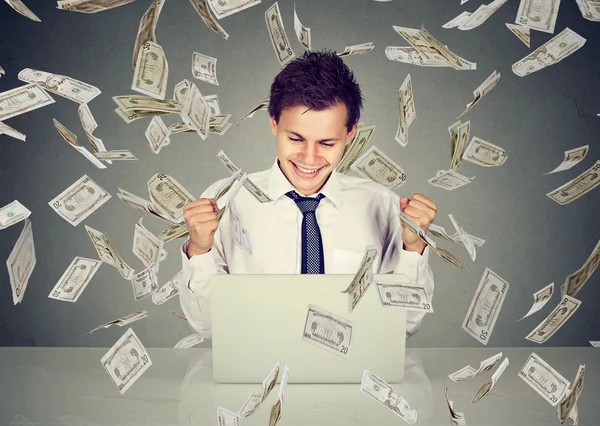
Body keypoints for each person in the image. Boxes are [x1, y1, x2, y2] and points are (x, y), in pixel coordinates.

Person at [177, 50, 438, 339]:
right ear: (273, 122)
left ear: (351, 133)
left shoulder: (382, 205)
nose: (309, 158)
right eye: (295, 138)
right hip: (256, 374)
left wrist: (413, 248)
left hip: (351, 376)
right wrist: (199, 250)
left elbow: (405, 326)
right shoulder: (225, 202)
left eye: (327, 143)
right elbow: (207, 328)